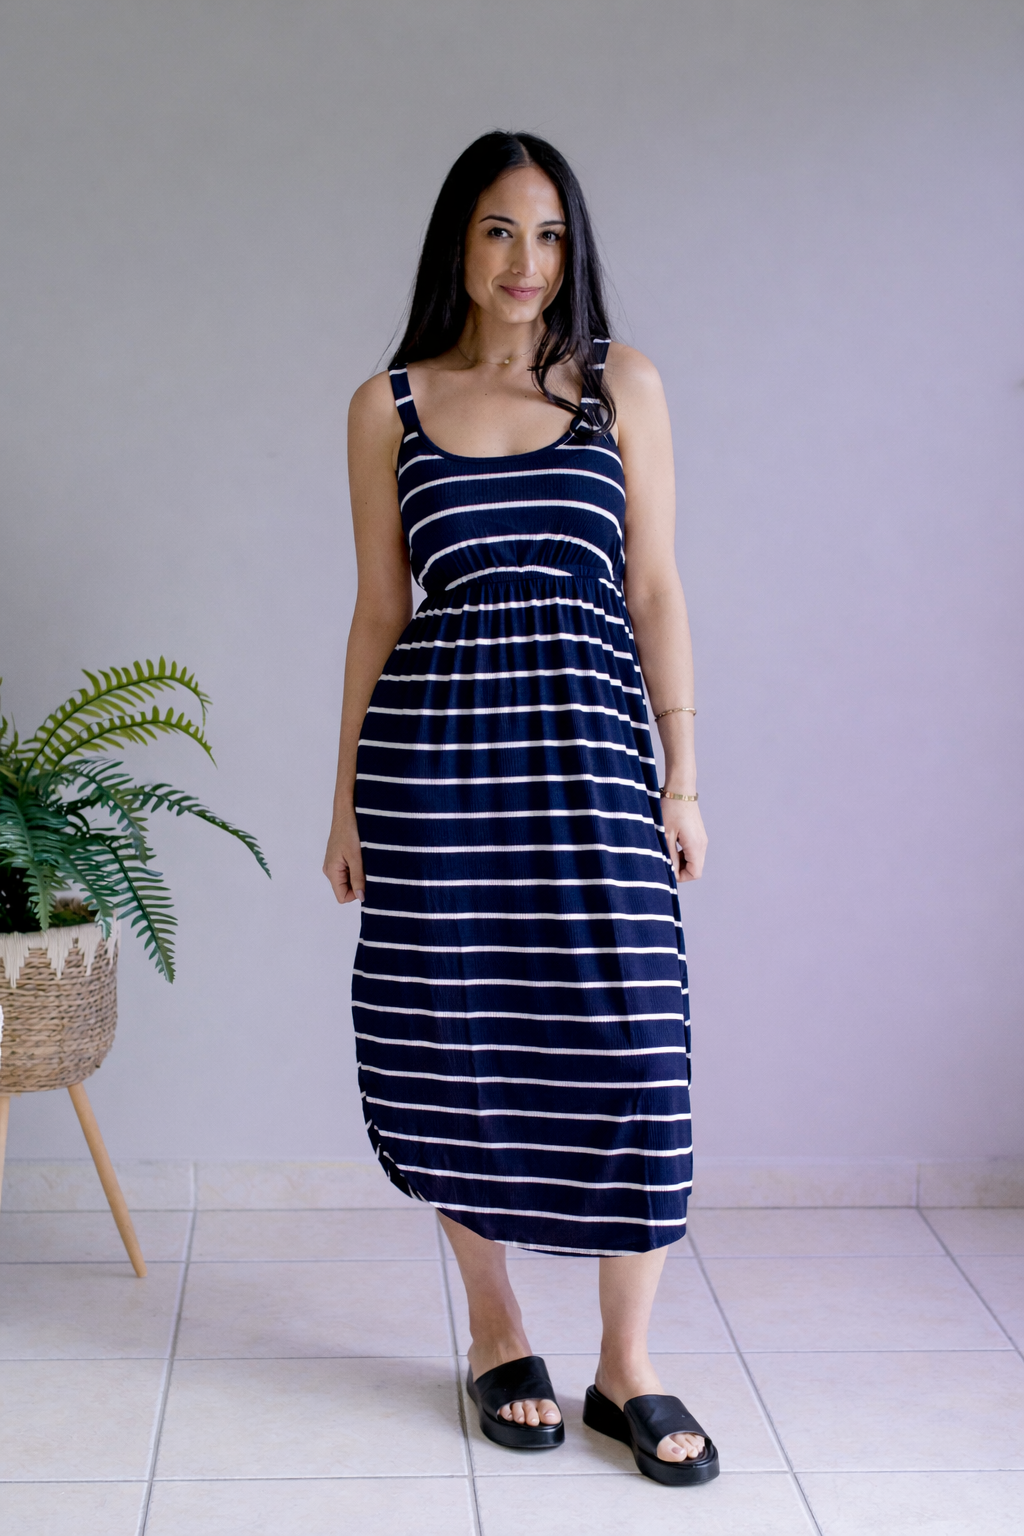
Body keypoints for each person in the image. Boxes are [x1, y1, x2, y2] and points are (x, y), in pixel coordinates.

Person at [324, 131, 717, 1487]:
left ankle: (628, 1367)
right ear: (460, 241)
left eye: (548, 234)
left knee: (638, 1052)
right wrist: (345, 804)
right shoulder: (389, 404)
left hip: (593, 762)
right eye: (499, 231)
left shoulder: (621, 384)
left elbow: (654, 589)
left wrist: (682, 775)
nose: (525, 262)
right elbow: (379, 613)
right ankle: (496, 1329)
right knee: (458, 1044)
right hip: (436, 771)